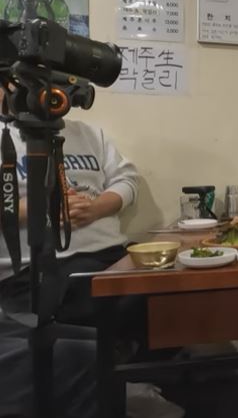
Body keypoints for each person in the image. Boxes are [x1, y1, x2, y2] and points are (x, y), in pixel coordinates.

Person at [0, 85, 139, 328]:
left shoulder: (89, 134)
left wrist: (95, 208)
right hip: (34, 272)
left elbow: (126, 181)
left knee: (171, 285)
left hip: (110, 256)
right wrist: (43, 208)